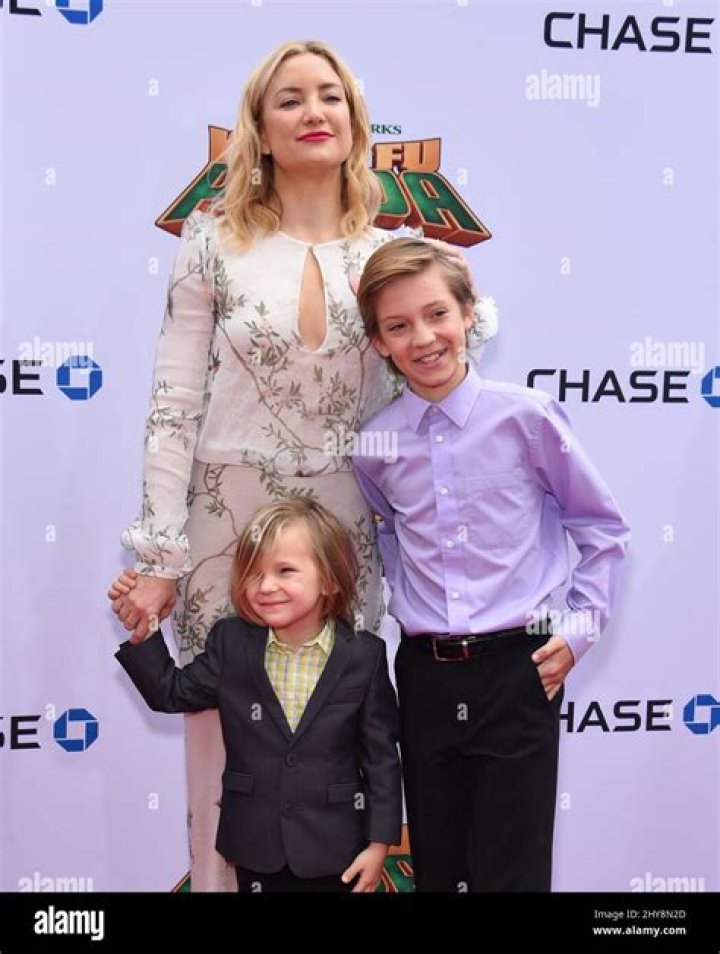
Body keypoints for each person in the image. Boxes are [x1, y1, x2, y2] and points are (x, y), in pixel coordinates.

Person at [108, 39, 493, 891]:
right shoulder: (211, 242)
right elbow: (174, 403)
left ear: (355, 122)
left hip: (342, 531)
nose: (313, 112)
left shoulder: (386, 255)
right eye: (290, 99)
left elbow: (438, 392)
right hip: (226, 527)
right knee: (226, 754)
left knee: (334, 747)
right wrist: (161, 556)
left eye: (330, 96)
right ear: (260, 128)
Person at [351, 238, 630, 892]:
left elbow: (602, 528)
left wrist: (579, 631)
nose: (424, 338)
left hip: (518, 670)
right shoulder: (374, 446)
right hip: (425, 676)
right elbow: (389, 539)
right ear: (379, 342)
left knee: (514, 871)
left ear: (469, 313)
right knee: (441, 867)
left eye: (437, 314)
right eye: (399, 326)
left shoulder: (527, 418)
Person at [115, 498, 402, 893]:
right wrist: (144, 632)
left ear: (330, 581)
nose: (266, 586)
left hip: (337, 848)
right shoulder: (232, 644)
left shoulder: (363, 655)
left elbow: (381, 760)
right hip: (255, 846)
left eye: (285, 571)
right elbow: (171, 692)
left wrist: (379, 843)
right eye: (254, 573)